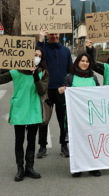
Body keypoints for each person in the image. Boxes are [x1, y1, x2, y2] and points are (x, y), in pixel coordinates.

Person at [0, 48, 48, 182]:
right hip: (19, 110)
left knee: (31, 140)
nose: (36, 57)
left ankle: (30, 167)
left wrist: (35, 75)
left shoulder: (44, 73)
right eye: (34, 55)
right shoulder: (15, 71)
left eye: (39, 56)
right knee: (19, 140)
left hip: (34, 110)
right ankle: (20, 169)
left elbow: (42, 91)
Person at [58, 53, 102, 178]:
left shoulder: (93, 78)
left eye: (87, 61)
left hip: (91, 116)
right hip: (75, 117)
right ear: (77, 62)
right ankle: (78, 167)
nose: (85, 63)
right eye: (82, 61)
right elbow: (63, 98)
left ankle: (93, 166)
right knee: (77, 142)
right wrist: (60, 91)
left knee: (91, 142)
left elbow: (99, 93)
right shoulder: (69, 77)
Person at [36, 30, 73, 158]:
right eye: (52, 34)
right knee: (43, 119)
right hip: (46, 90)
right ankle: (42, 146)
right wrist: (40, 39)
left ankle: (64, 145)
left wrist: (69, 85)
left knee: (63, 120)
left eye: (56, 34)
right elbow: (37, 55)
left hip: (62, 90)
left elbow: (71, 70)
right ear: (48, 35)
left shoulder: (66, 51)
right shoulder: (43, 49)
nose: (55, 36)